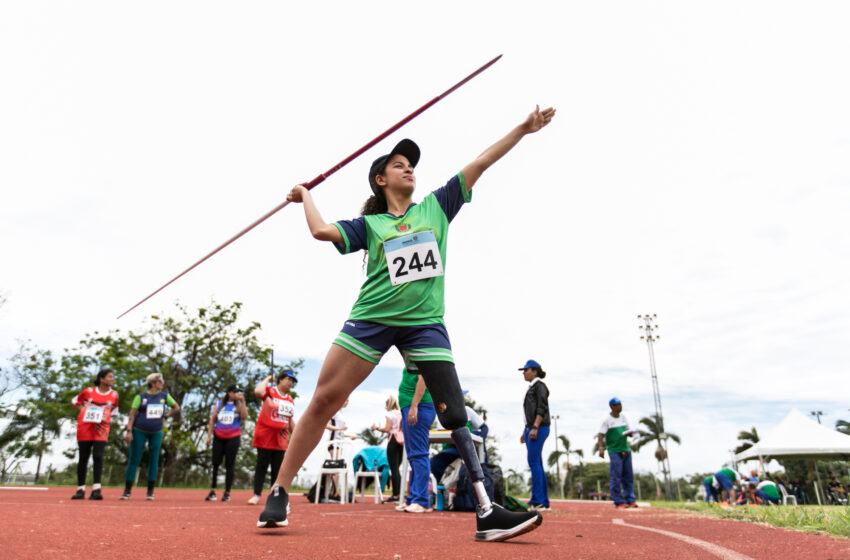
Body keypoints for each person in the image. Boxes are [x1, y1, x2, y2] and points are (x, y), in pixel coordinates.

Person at [258, 105, 555, 542]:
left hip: (424, 323)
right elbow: (321, 232)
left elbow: (482, 161)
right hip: (372, 318)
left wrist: (524, 129)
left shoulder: (437, 206)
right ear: (381, 179)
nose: (409, 169)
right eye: (400, 165)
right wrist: (305, 196)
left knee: (455, 412)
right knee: (324, 400)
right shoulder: (371, 224)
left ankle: (487, 511)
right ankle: (280, 491)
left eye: (412, 165)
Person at [122, 372, 179, 500]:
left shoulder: (165, 396)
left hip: (156, 431)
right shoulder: (141, 397)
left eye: (162, 381)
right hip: (139, 430)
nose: (162, 383)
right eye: (160, 381)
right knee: (134, 458)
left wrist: (166, 416)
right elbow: (132, 414)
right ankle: (127, 490)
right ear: (152, 383)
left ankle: (150, 491)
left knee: (154, 459)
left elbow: (176, 407)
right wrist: (129, 430)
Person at [249, 370, 297, 505]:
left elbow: (289, 420)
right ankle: (257, 494)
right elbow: (258, 392)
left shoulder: (290, 400)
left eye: (292, 381)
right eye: (288, 379)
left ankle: (273, 495)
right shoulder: (270, 391)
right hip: (265, 436)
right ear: (280, 379)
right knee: (262, 466)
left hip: (281, 439)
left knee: (277, 469)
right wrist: (267, 379)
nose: (290, 383)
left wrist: (296, 435)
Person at [70, 368, 119, 500]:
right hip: (85, 428)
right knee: (83, 457)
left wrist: (103, 416)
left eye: (112, 377)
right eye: (109, 377)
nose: (112, 379)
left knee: (98, 456)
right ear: (101, 379)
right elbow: (75, 401)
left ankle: (96, 489)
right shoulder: (88, 391)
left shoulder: (114, 395)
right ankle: (80, 489)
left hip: (101, 430)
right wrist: (83, 411)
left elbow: (113, 411)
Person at [397, 369, 436, 513]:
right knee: (413, 456)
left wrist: (414, 406)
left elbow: (423, 378)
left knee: (419, 454)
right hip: (410, 406)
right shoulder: (410, 356)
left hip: (419, 406)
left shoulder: (418, 351)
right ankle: (414, 499)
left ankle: (421, 500)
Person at [205, 384, 248, 502]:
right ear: (229, 392)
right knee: (215, 463)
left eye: (238, 392)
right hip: (218, 437)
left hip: (233, 438)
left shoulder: (238, 405)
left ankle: (227, 492)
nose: (237, 394)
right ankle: (212, 490)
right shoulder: (219, 404)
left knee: (230, 464)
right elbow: (212, 420)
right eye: (235, 392)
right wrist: (209, 436)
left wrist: (243, 402)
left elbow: (244, 416)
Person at [519, 359, 550, 512]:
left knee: (533, 462)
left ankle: (537, 501)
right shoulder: (531, 387)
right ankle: (543, 501)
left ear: (535, 371)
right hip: (531, 427)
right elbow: (529, 412)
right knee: (537, 462)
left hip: (539, 427)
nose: (524, 373)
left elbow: (541, 407)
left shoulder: (539, 386)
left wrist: (535, 427)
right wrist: (525, 431)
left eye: (526, 370)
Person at [597, 397, 638, 508]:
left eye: (620, 404)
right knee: (616, 476)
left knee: (628, 476)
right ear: (612, 407)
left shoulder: (623, 417)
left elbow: (628, 431)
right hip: (614, 451)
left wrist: (632, 433)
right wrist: (601, 448)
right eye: (617, 405)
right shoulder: (607, 420)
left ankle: (630, 499)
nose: (620, 407)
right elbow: (600, 435)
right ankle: (618, 501)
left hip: (626, 449)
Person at [371, 395, 404, 504]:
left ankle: (395, 495)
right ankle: (399, 493)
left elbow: (387, 429)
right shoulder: (401, 413)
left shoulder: (389, 414)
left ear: (388, 405)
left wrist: (376, 428)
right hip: (402, 441)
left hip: (393, 441)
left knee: (393, 468)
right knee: (397, 469)